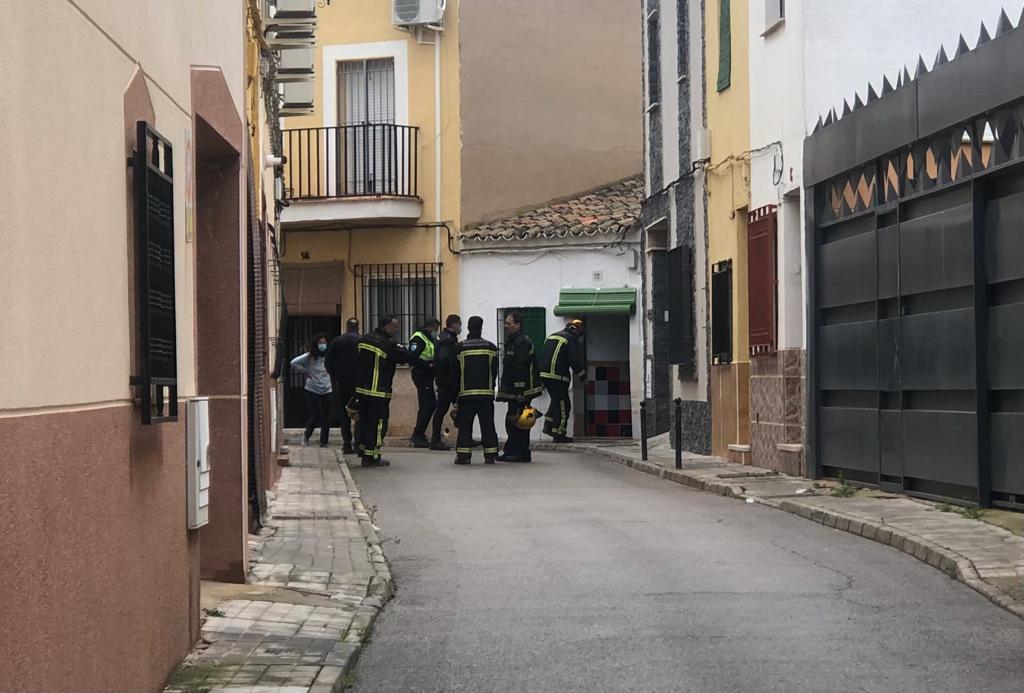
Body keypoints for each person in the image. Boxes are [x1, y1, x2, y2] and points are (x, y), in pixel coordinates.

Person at [355, 315, 410, 467]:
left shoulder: (364, 339)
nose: (397, 329)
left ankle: (363, 451)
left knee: (364, 422)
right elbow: (404, 357)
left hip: (362, 390)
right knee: (378, 424)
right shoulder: (387, 344)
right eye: (395, 326)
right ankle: (372, 456)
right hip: (378, 391)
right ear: (386, 326)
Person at [452, 316, 500, 465]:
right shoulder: (491, 348)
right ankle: (490, 456)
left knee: (465, 427)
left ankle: (463, 456)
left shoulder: (460, 348)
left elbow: (455, 373)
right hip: (486, 395)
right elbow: (494, 371)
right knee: (488, 425)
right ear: (481, 328)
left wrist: (455, 397)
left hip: (466, 395)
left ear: (468, 328)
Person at [496, 312, 542, 463]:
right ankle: (511, 450)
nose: (506, 326)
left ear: (518, 324)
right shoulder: (515, 340)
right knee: (513, 420)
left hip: (520, 391)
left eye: (509, 323)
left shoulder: (521, 342)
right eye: (506, 323)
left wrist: (520, 392)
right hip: (515, 390)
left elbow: (520, 368)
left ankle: (521, 452)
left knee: (520, 422)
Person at [540, 318, 586, 443]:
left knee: (556, 401)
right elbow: (574, 360)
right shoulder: (571, 339)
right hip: (558, 377)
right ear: (578, 331)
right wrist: (582, 375)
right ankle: (559, 433)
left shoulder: (552, 336)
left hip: (544, 375)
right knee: (564, 405)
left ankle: (549, 426)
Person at [325, 317, 361, 455]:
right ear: (357, 327)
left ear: (346, 327)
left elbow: (328, 362)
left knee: (344, 415)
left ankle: (347, 445)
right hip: (358, 384)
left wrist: (334, 378)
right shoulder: (361, 340)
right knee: (359, 414)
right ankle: (358, 444)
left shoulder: (337, 341)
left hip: (341, 383)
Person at [290, 333, 333, 447]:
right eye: (320, 343)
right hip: (313, 389)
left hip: (327, 388)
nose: (323, 345)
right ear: (315, 344)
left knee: (327, 416)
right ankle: (306, 436)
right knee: (316, 415)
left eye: (324, 343)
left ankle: (324, 441)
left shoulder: (329, 356)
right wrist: (305, 371)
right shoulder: (309, 357)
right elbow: (293, 363)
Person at [430, 314, 462, 451]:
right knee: (441, 410)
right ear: (453, 324)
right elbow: (444, 360)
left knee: (460, 408)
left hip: (449, 380)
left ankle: (464, 437)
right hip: (447, 382)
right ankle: (436, 440)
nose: (460, 327)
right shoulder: (446, 340)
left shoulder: (447, 337)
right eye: (459, 324)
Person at [408, 318, 441, 448]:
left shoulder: (428, 338)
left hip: (426, 375)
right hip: (421, 374)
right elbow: (412, 358)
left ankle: (419, 435)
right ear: (430, 327)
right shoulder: (418, 338)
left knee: (425, 405)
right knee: (430, 404)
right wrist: (428, 365)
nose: (436, 332)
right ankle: (417, 435)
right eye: (435, 329)